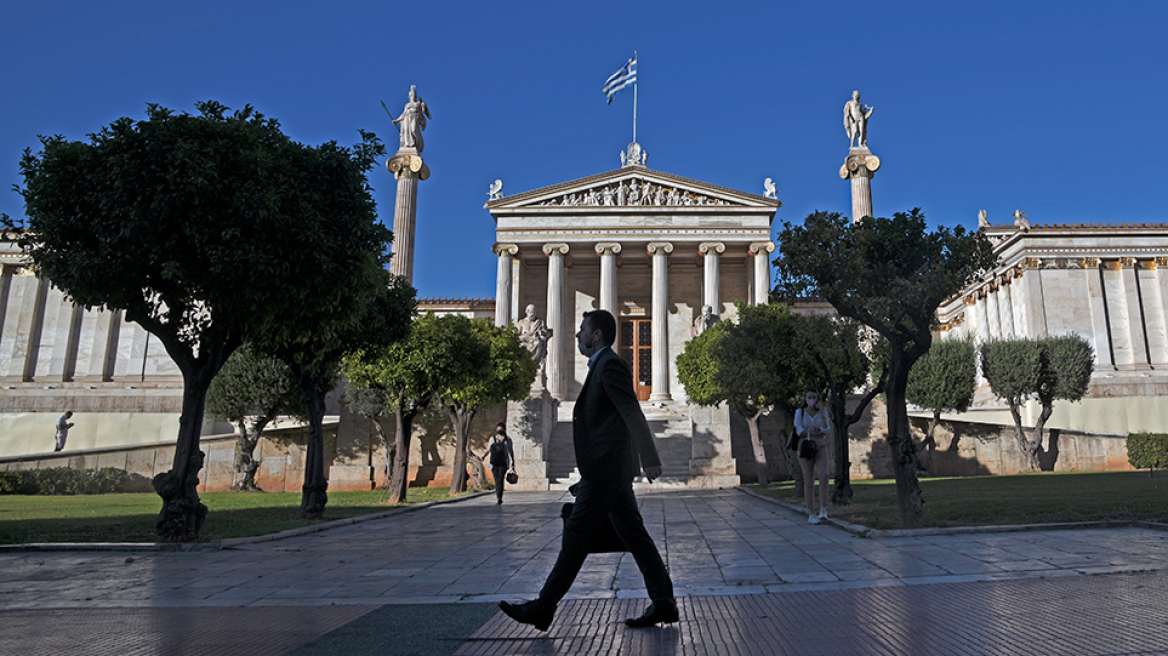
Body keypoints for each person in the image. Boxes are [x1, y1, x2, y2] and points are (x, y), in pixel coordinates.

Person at [499, 309, 677, 631]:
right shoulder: (602, 367)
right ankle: (664, 602)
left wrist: (650, 457)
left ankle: (543, 607)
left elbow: (631, 411)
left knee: (576, 538)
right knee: (636, 538)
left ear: (596, 335)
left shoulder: (609, 365)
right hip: (607, 471)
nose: (578, 335)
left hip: (606, 473)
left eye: (582, 330)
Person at [795, 388, 831, 524]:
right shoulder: (800, 413)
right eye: (809, 397)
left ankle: (823, 509)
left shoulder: (823, 413)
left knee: (824, 475)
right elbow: (799, 430)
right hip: (805, 447)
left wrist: (821, 412)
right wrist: (814, 432)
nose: (812, 400)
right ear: (805, 399)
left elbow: (826, 429)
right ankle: (811, 513)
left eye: (814, 397)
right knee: (809, 480)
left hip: (820, 446)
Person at [481, 422, 516, 505]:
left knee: (500, 479)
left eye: (501, 429)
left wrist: (513, 462)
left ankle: (499, 497)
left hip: (503, 463)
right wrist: (483, 456)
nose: (499, 431)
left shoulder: (508, 440)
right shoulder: (492, 439)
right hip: (494, 462)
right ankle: (498, 496)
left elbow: (510, 451)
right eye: (498, 429)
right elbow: (488, 449)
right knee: (497, 480)